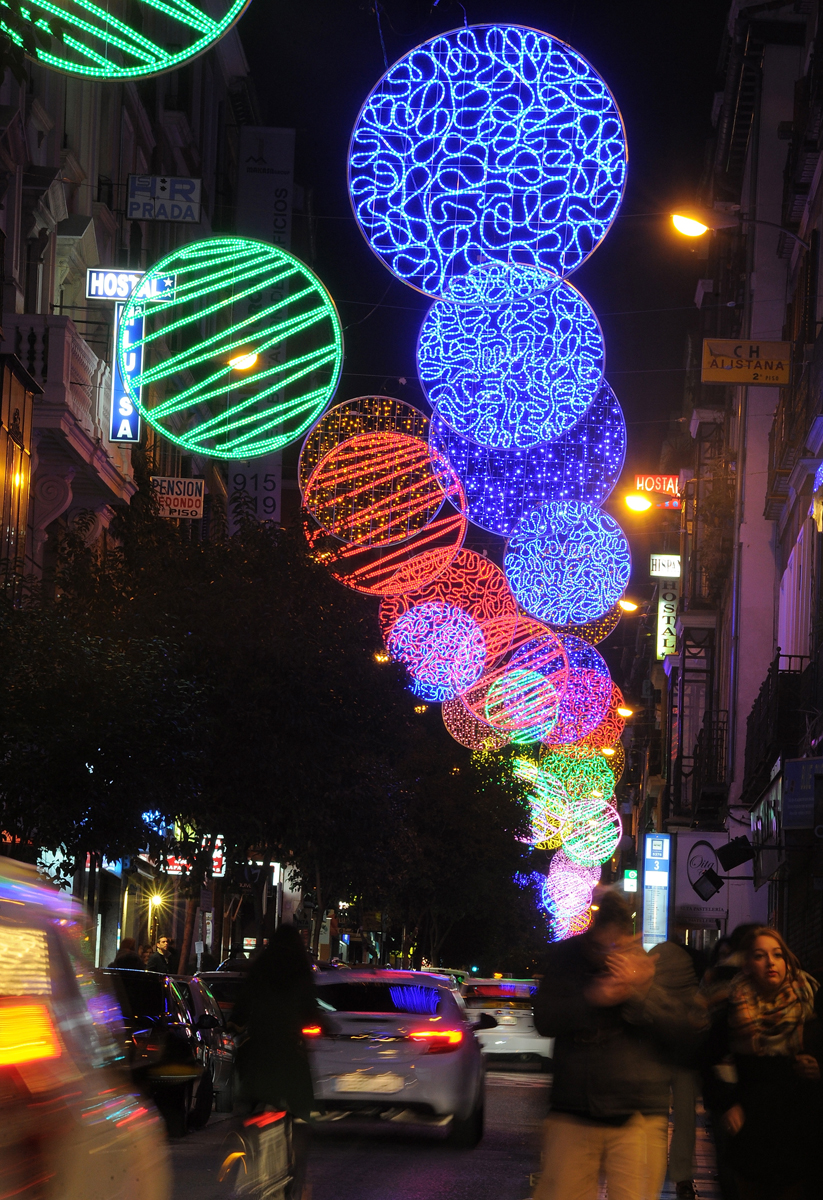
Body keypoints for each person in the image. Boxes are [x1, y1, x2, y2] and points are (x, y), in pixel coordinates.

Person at [532, 890, 705, 1200]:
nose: (607, 955)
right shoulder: (568, 957)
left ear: (634, 936)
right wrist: (591, 999)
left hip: (639, 1114)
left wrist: (643, 991)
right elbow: (545, 1019)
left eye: (617, 946)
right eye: (598, 946)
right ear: (589, 934)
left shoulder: (663, 962)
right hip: (573, 1109)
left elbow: (684, 1035)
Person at [702, 927, 821, 1200]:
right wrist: (727, 1103)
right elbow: (709, 1060)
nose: (770, 962)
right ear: (747, 964)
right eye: (760, 955)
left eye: (777, 954)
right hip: (752, 1124)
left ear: (787, 960)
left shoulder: (810, 1001)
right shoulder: (734, 1006)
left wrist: (818, 1068)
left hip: (799, 1124)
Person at [232, 925, 324, 1199]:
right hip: (289, 1057)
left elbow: (239, 1011)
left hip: (258, 1054)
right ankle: (299, 1170)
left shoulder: (259, 970)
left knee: (245, 1106)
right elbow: (311, 1011)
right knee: (303, 1116)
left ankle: (242, 1146)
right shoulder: (301, 972)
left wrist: (234, 1025)